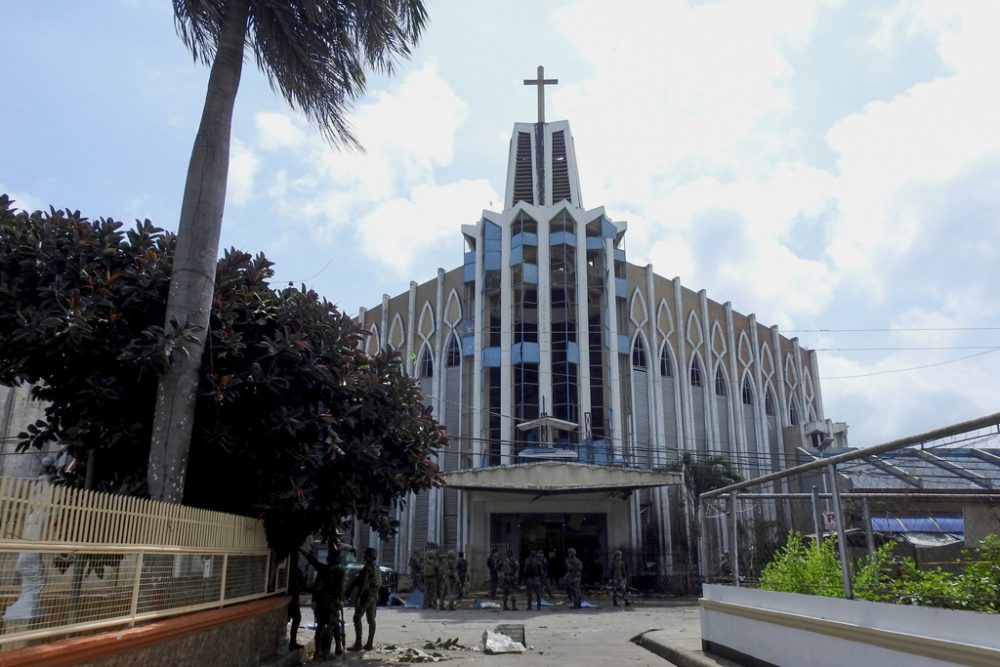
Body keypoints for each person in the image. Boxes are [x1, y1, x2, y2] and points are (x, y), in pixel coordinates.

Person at [300, 547, 345, 659]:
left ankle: (318, 651)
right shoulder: (339, 571)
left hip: (321, 601)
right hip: (332, 602)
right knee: (333, 625)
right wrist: (340, 600)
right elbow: (340, 588)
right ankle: (327, 651)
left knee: (320, 626)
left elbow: (316, 585)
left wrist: (314, 600)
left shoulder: (323, 569)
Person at [345, 547, 381, 651]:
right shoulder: (376, 568)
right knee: (371, 620)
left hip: (367, 595)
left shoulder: (367, 568)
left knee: (357, 617)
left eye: (365, 555)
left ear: (369, 557)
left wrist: (358, 598)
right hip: (374, 596)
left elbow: (363, 584)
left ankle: (358, 643)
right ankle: (369, 644)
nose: (364, 557)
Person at [287, 558, 305, 650]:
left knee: (289, 619)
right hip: (293, 598)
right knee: (296, 618)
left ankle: (290, 641)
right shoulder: (297, 570)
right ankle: (292, 642)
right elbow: (302, 585)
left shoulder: (286, 569)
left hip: (286, 597)